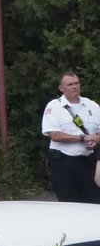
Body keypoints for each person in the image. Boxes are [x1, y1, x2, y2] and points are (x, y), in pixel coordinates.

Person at [43, 70, 100, 202]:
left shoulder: (92, 105)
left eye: (76, 83)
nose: (74, 86)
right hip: (64, 163)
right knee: (69, 204)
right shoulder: (54, 107)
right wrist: (82, 138)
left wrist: (96, 140)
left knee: (93, 203)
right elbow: (54, 135)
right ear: (61, 88)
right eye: (69, 84)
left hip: (87, 163)